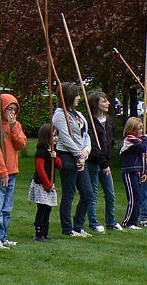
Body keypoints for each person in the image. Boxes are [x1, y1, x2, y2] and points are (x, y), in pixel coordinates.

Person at [0, 94, 27, 249]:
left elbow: (21, 144)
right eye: (9, 109)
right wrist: (2, 172)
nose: (12, 113)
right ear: (1, 109)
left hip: (12, 172)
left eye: (14, 110)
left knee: (7, 209)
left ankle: (3, 237)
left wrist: (15, 127)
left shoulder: (16, 125)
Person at [53, 82, 94, 237]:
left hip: (80, 156)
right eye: (76, 95)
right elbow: (65, 137)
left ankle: (78, 226)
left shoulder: (78, 114)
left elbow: (85, 134)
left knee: (88, 194)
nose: (79, 98)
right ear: (68, 96)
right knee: (69, 193)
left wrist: (86, 151)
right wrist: (77, 154)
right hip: (67, 156)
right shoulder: (59, 115)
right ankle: (67, 228)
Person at [85, 91, 122, 233]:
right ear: (96, 104)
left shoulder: (110, 121)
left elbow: (110, 142)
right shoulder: (89, 122)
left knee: (110, 194)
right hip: (93, 162)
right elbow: (93, 144)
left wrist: (107, 162)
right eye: (104, 101)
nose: (108, 103)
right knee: (93, 193)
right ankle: (93, 223)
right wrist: (103, 163)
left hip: (106, 163)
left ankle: (111, 222)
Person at [28, 124, 62, 241]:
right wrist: (48, 185)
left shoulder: (52, 151)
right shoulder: (41, 152)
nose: (56, 138)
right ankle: (39, 233)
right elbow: (40, 170)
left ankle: (46, 232)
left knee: (48, 209)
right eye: (53, 136)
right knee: (42, 209)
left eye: (57, 135)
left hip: (49, 185)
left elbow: (60, 165)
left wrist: (55, 158)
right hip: (41, 185)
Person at [119, 117, 147, 229]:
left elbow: (143, 157)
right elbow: (143, 148)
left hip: (137, 172)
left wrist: (144, 171)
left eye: (142, 129)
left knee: (139, 198)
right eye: (139, 129)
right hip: (129, 172)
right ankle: (128, 222)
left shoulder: (137, 140)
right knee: (134, 198)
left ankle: (134, 222)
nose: (141, 131)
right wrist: (145, 138)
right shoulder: (130, 140)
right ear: (131, 130)